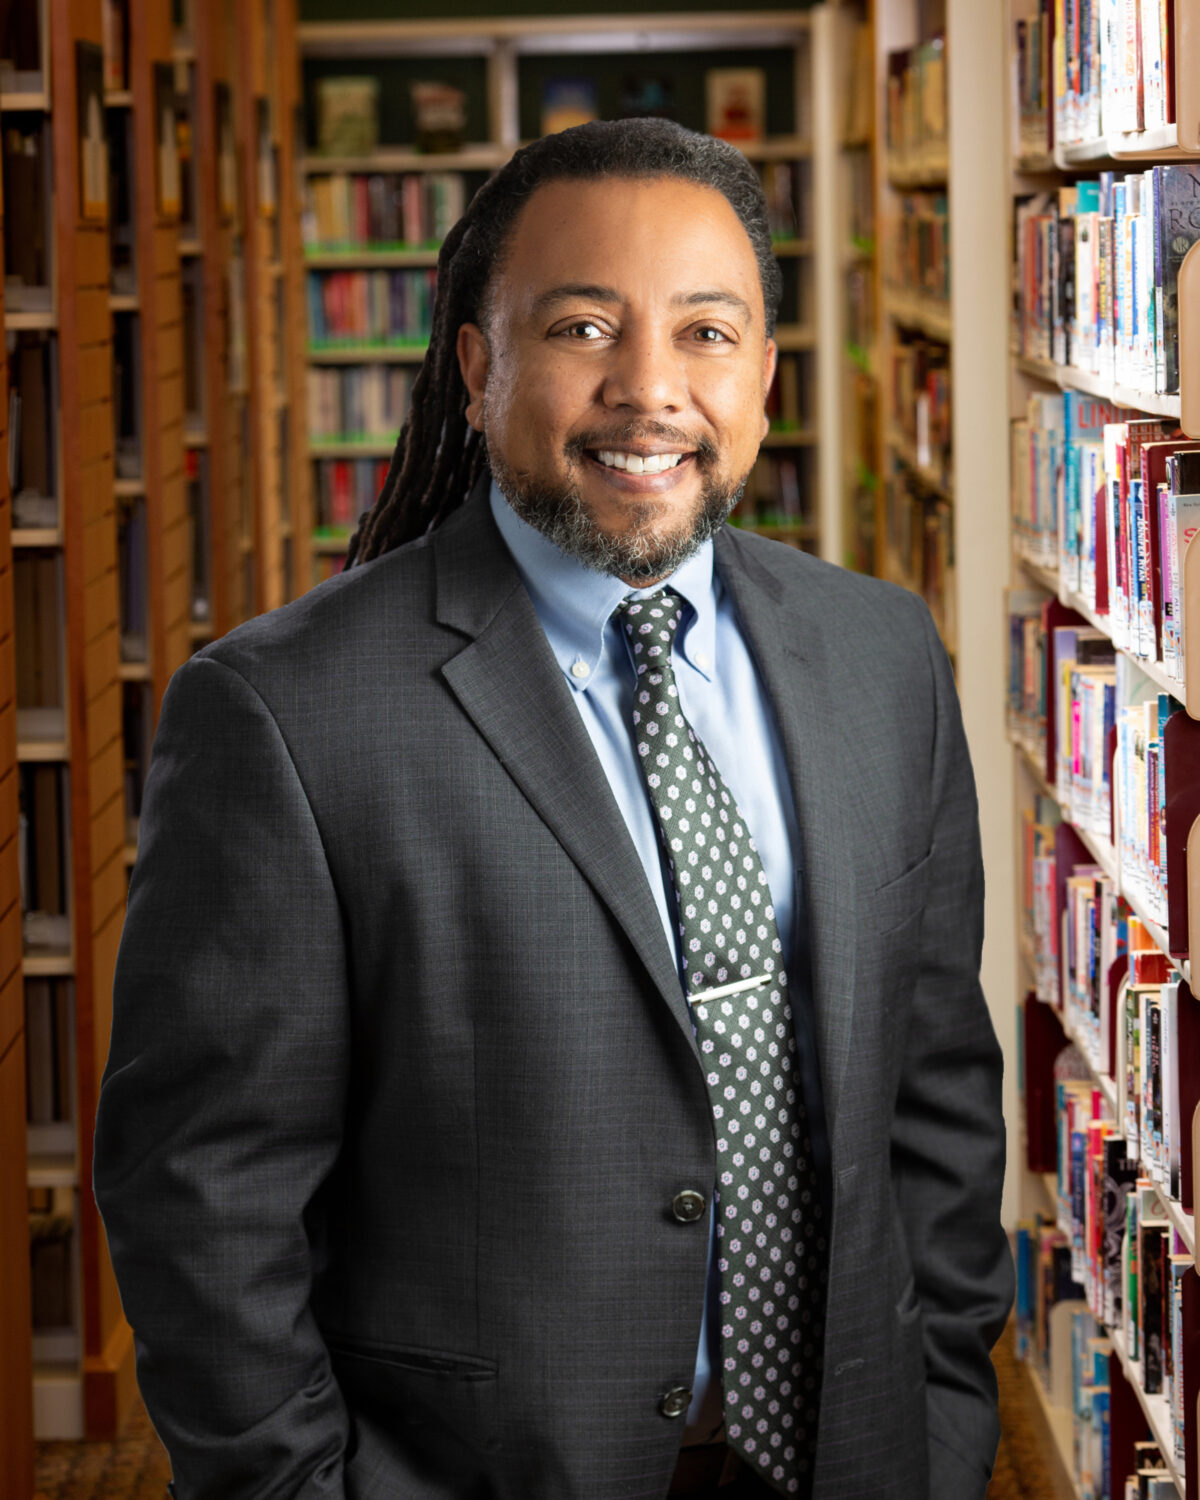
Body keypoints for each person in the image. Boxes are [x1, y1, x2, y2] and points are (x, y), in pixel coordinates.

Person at [94, 118, 1013, 1500]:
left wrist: (943, 1417)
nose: (650, 390)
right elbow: (205, 1200)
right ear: (478, 363)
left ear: (765, 376)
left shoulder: (883, 658)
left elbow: (937, 1089)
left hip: (855, 1454)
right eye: (586, 326)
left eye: (707, 333)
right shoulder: (282, 718)